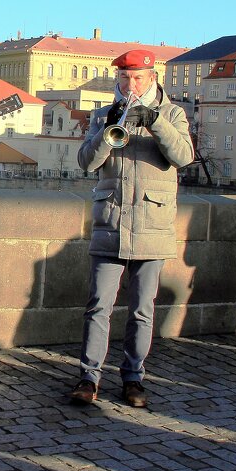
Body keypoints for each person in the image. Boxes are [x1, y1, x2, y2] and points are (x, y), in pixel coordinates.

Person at [69, 49, 194, 408]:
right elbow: (86, 162)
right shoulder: (103, 114)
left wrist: (155, 121)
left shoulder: (172, 113)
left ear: (152, 77)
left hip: (153, 223)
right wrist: (106, 133)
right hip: (110, 221)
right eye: (125, 79)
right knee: (98, 307)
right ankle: (88, 376)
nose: (131, 85)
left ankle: (134, 378)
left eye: (138, 78)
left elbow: (183, 156)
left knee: (142, 309)